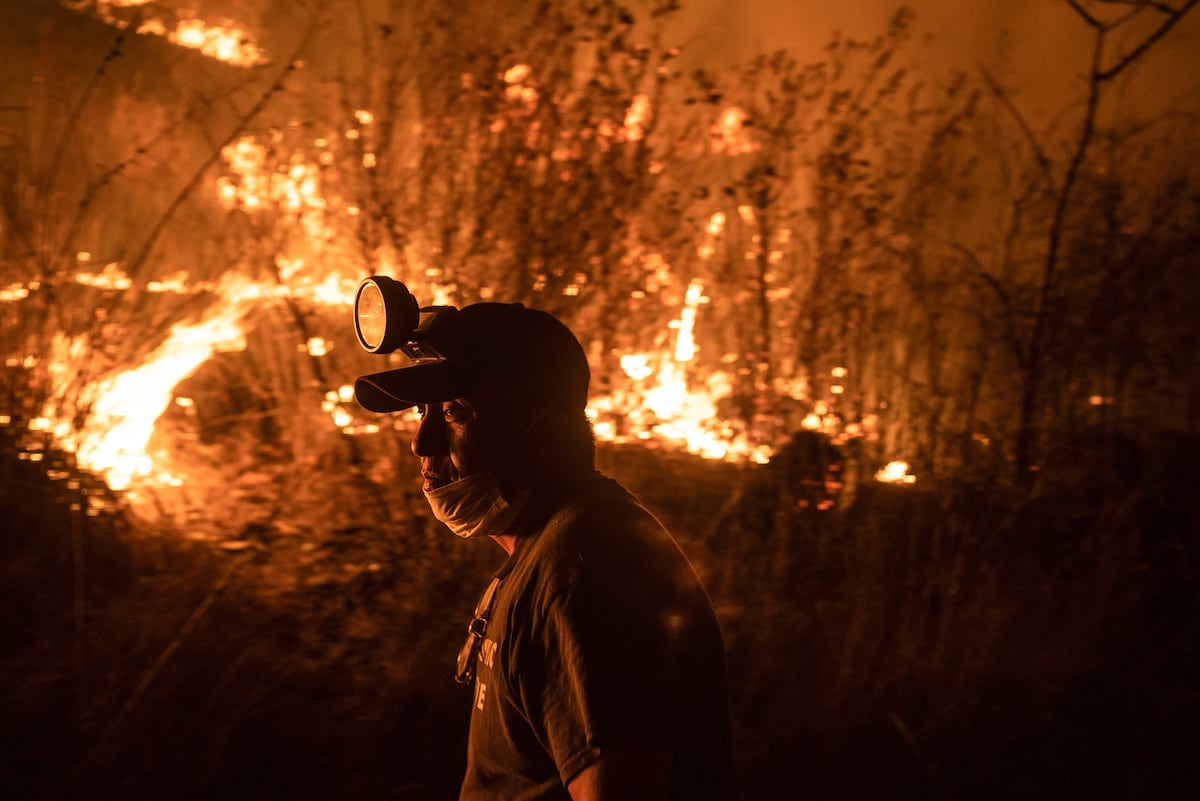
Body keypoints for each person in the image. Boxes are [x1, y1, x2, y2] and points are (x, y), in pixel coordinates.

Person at [354, 300, 738, 801]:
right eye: (422, 412)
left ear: (542, 429)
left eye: (454, 412)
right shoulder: (546, 552)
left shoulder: (585, 570)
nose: (422, 443)